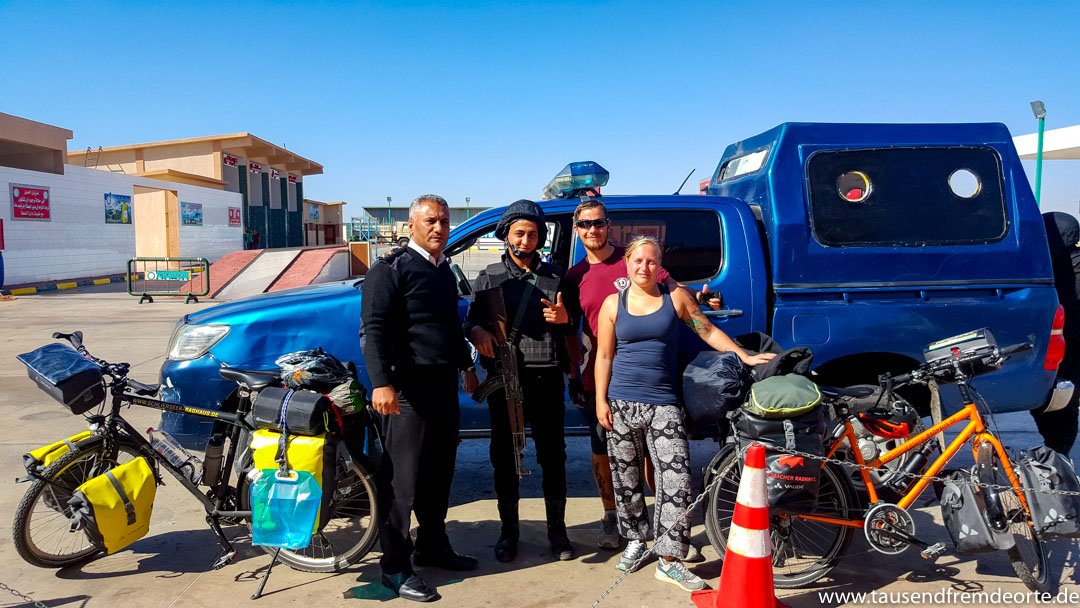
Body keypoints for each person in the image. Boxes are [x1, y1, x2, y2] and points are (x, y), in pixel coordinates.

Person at [594, 236, 774, 591]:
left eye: (651, 261)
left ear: (660, 266)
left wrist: (745, 355)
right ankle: (634, 541)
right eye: (638, 261)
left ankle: (670, 558)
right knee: (625, 479)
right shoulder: (613, 304)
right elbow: (604, 356)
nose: (644, 267)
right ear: (627, 264)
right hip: (621, 403)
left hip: (664, 403)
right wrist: (601, 400)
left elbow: (706, 330)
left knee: (676, 481)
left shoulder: (674, 299)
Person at [563, 199, 718, 552]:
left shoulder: (635, 259)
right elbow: (571, 332)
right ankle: (611, 516)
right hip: (601, 379)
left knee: (658, 460)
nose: (593, 230)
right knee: (607, 455)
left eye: (598, 223)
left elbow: (676, 293)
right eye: (585, 224)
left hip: (651, 381)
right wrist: (574, 375)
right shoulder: (575, 276)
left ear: (608, 225)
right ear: (577, 229)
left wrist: (704, 300)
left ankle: (669, 530)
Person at [361, 194, 479, 603]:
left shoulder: (444, 271)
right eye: (430, 221)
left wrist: (465, 366)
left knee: (438, 473)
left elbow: (449, 325)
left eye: (444, 221)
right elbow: (373, 329)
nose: (439, 228)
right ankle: (394, 567)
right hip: (405, 393)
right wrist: (381, 383)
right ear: (411, 225)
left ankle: (433, 544)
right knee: (401, 483)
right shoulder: (390, 270)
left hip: (442, 387)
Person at [464, 200, 576, 562]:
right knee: (504, 458)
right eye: (519, 233)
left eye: (533, 234)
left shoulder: (557, 277)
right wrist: (477, 329)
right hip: (503, 379)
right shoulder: (489, 277)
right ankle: (508, 532)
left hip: (545, 377)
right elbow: (469, 322)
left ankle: (557, 534)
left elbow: (576, 326)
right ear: (506, 236)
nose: (526, 240)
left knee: (553, 456)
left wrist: (564, 319)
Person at [1031, 211, 1080, 456]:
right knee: (1063, 405)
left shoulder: (1039, 265)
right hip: (1066, 351)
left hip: (1052, 350)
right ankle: (1059, 454)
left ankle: (1057, 455)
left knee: (1055, 405)